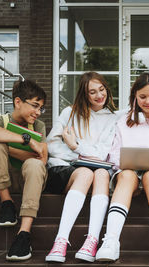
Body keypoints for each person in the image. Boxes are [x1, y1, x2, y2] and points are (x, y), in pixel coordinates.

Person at [95, 72, 149, 262]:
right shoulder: (123, 121)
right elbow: (114, 156)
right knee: (127, 175)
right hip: (129, 176)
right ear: (134, 96)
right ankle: (111, 242)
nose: (147, 101)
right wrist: (132, 163)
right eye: (142, 96)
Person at [44, 72, 117, 263]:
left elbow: (102, 154)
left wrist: (75, 145)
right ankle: (60, 240)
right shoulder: (70, 112)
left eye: (101, 89)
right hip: (64, 169)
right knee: (85, 172)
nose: (99, 95)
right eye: (92, 92)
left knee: (101, 173)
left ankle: (91, 241)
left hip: (97, 169)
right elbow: (52, 145)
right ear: (84, 95)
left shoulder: (112, 119)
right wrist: (78, 155)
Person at [0, 79, 48, 261]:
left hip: (28, 180)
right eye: (35, 106)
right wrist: (26, 141)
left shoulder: (39, 126)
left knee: (35, 164)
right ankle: (7, 203)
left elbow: (42, 159)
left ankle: (23, 234)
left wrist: (9, 147)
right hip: (1, 179)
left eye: (41, 108)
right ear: (18, 102)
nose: (38, 112)